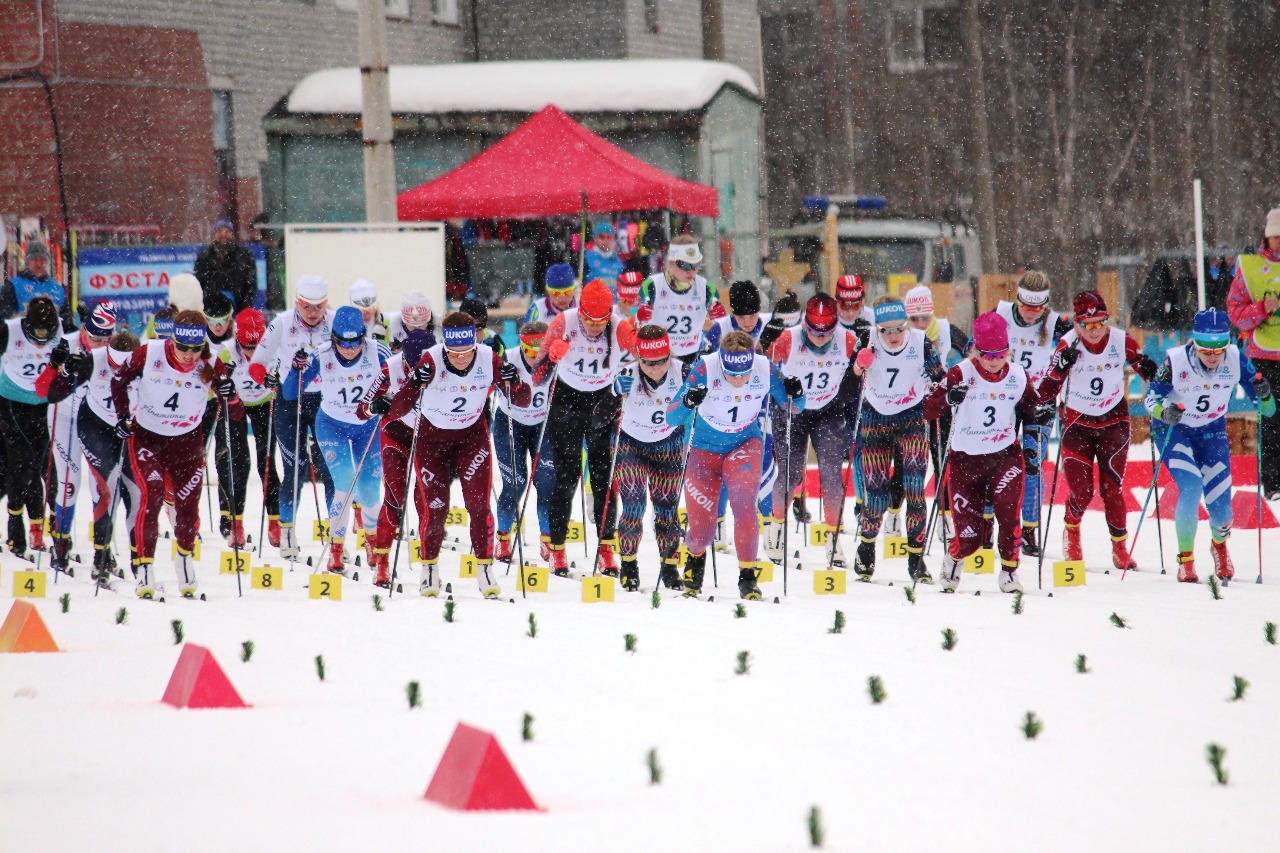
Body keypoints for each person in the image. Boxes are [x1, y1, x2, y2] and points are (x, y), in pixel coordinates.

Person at [378, 312, 529, 598]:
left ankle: (485, 570)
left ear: (475, 344)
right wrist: (411, 385)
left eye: (467, 352)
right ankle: (430, 569)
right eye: (454, 353)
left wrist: (515, 381)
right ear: (445, 347)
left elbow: (522, 399)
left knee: (479, 505)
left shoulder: (488, 358)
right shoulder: (432, 359)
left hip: (471, 439)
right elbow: (400, 407)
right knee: (435, 510)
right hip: (430, 441)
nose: (461, 358)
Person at [666, 331, 805, 598]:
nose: (739, 380)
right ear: (722, 362)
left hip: (745, 443)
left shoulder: (764, 367)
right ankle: (694, 561)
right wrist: (687, 401)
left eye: (744, 374)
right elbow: (672, 417)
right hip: (702, 449)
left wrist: (796, 393)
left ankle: (748, 576)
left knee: (743, 505)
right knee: (704, 528)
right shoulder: (705, 367)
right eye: (731, 374)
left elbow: (794, 407)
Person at [112, 310, 241, 599]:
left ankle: (183, 559)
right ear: (172, 340)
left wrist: (229, 394)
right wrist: (122, 418)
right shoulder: (149, 353)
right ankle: (144, 569)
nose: (188, 355)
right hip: (148, 439)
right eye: (182, 347)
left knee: (187, 508)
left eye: (195, 348)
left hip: (187, 443)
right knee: (153, 495)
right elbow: (118, 382)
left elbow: (236, 411)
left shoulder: (211, 362)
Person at [1145, 309, 1276, 582]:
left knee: (1222, 510)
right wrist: (1163, 412)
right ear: (1195, 343)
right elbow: (1150, 399)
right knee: (1191, 486)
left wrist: (1265, 396)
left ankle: (1219, 545)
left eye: (1219, 351)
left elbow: (1269, 411)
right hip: (1175, 430)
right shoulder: (1175, 360)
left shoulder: (1237, 359)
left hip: (1211, 431)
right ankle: (1186, 562)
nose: (1214, 358)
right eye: (1207, 351)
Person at [1036, 290, 1158, 570]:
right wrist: (1059, 369)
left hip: (1113, 421)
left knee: (1112, 488)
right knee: (1082, 491)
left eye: (1099, 322)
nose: (1094, 330)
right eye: (1086, 324)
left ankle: (1120, 548)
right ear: (1076, 323)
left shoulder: (1120, 339)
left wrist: (1153, 373)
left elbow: (1145, 367)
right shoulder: (1067, 345)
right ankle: (1072, 531)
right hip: (1078, 424)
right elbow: (1046, 391)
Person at [924, 312, 1042, 593]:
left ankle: (1010, 572)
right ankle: (954, 556)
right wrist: (948, 398)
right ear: (976, 350)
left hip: (1004, 457)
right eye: (987, 354)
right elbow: (929, 409)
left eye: (1000, 354)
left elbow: (1033, 410)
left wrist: (1031, 443)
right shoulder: (960, 373)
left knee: (1009, 515)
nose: (993, 361)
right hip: (966, 462)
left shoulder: (1017, 375)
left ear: (1007, 351)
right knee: (970, 538)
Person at [533, 279, 632, 575]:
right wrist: (551, 357)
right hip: (566, 402)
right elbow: (537, 377)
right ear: (581, 312)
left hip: (603, 402)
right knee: (566, 478)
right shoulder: (563, 322)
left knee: (604, 478)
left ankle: (605, 548)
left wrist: (627, 380)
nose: (593, 328)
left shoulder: (620, 327)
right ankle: (558, 549)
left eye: (600, 322)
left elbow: (641, 365)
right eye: (588, 320)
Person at [849, 295, 944, 582]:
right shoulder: (866, 339)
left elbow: (939, 376)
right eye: (886, 330)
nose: (893, 336)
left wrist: (946, 391)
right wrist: (857, 367)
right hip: (876, 417)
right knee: (876, 494)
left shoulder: (920, 341)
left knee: (915, 486)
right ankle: (866, 548)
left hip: (910, 416)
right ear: (877, 328)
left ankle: (916, 557)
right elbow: (848, 381)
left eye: (899, 329)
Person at [284, 306, 384, 575]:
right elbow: (290, 392)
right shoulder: (321, 354)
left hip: (368, 426)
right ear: (334, 338)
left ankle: (372, 543)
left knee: (370, 489)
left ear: (363, 336)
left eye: (355, 342)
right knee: (346, 483)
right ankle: (336, 551)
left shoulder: (377, 351)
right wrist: (296, 369)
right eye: (343, 342)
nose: (350, 349)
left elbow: (401, 380)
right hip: (332, 426)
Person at [764, 293, 859, 566]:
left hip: (828, 409)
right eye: (813, 331)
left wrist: (864, 360)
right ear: (805, 323)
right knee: (792, 473)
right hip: (792, 409)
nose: (819, 338)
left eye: (825, 332)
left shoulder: (847, 340)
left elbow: (867, 365)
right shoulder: (789, 338)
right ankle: (777, 528)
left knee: (831, 474)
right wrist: (767, 348)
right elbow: (763, 366)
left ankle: (833, 539)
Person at [248, 274, 337, 559]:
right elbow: (256, 365)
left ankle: (336, 539)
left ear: (326, 304)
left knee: (330, 471)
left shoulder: (336, 323)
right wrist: (269, 379)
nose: (312, 313)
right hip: (289, 401)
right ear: (297, 302)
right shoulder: (283, 323)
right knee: (295, 471)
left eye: (318, 307)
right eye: (306, 307)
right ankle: (287, 532)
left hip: (326, 402)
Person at [995, 270, 1072, 556]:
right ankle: (990, 523)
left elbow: (1081, 343)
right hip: (1004, 398)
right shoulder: (1002, 312)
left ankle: (1028, 529)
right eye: (1026, 308)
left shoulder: (1055, 322)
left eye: (1037, 309)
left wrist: (1068, 361)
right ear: (1017, 300)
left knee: (1032, 463)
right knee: (995, 461)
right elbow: (977, 342)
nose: (1031, 314)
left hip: (1039, 400)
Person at [38, 300, 118, 571]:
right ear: (84, 329)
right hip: (66, 419)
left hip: (97, 422)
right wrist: (55, 364)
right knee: (69, 483)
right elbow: (42, 392)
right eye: (94, 337)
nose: (99, 344)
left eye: (105, 338)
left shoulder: (116, 351)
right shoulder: (67, 343)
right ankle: (60, 543)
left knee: (103, 486)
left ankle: (102, 548)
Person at [612, 326, 691, 591]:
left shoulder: (683, 371)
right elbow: (603, 405)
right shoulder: (628, 373)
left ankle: (669, 565)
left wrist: (696, 397)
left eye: (661, 361)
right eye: (648, 363)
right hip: (630, 443)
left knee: (667, 507)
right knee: (633, 503)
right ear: (638, 358)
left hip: (668, 443)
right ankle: (629, 564)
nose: (655, 368)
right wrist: (614, 390)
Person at [360, 329, 432, 588]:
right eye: (409, 364)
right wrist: (375, 406)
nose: (412, 370)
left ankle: (429, 564)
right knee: (395, 497)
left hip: (428, 436)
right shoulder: (390, 367)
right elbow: (361, 409)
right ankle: (382, 564)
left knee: (426, 499)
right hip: (397, 432)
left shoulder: (442, 363)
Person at [73, 330, 140, 583]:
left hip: (131, 428)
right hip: (96, 426)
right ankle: (100, 557)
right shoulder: (95, 358)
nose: (119, 374)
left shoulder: (148, 363)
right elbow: (53, 390)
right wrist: (67, 370)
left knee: (137, 494)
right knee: (108, 489)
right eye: (114, 366)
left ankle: (140, 561)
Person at [0, 296, 63, 557]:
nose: (39, 343)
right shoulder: (9, 330)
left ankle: (37, 527)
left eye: (44, 339)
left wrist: (65, 364)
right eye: (34, 338)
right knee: (20, 464)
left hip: (40, 406)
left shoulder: (59, 329)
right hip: (10, 405)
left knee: (38, 465)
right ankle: (15, 527)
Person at [1226, 207, 1280, 499]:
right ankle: (1273, 483)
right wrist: (1261, 310)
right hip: (1265, 355)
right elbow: (1235, 312)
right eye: (1275, 237)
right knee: (1271, 419)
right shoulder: (1250, 268)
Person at [492, 321, 555, 567]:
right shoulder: (507, 358)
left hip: (543, 424)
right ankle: (504, 538)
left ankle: (548, 539)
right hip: (510, 423)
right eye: (529, 352)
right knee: (515, 483)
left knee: (546, 484)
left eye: (539, 354)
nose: (533, 359)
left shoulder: (554, 359)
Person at [221, 308, 280, 548]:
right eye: (246, 347)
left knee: (266, 463)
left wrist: (278, 382)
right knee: (239, 464)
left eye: (256, 347)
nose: (252, 353)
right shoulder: (227, 352)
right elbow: (210, 380)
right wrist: (221, 384)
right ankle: (236, 524)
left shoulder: (273, 349)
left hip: (265, 405)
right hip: (237, 405)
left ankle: (275, 524)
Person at [636, 234, 723, 361]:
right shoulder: (653, 285)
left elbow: (722, 323)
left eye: (696, 265)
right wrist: (640, 317)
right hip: (658, 355)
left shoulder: (706, 287)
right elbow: (638, 322)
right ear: (671, 263)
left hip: (692, 355)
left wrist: (720, 316)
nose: (691, 271)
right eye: (685, 265)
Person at [0, 239, 76, 328]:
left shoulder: (58, 289)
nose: (39, 263)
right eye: (35, 259)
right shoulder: (13, 286)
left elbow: (67, 324)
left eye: (42, 259)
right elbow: (4, 320)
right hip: (22, 339)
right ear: (27, 262)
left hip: (54, 340)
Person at [194, 218, 258, 312]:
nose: (223, 234)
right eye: (219, 231)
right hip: (212, 311)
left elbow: (251, 286)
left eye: (227, 231)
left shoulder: (245, 256)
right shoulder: (204, 257)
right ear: (214, 234)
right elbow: (199, 285)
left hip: (238, 310)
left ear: (232, 234)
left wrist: (244, 310)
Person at [584, 221, 625, 292]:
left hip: (613, 302)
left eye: (609, 237)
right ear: (595, 238)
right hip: (592, 300)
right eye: (601, 237)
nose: (605, 240)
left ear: (613, 239)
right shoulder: (587, 257)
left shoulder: (617, 260)